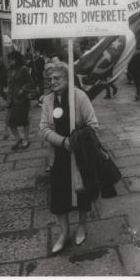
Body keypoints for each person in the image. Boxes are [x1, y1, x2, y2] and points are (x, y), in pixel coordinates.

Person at [40, 62, 99, 254]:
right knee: (59, 196)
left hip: (80, 155)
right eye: (50, 79)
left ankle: (82, 226)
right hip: (58, 155)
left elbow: (93, 124)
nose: (52, 81)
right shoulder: (47, 100)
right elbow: (43, 129)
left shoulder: (79, 96)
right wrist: (63, 142)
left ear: (67, 78)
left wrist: (77, 140)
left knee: (82, 192)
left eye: (57, 77)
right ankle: (64, 233)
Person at [6, 51, 33, 150]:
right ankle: (18, 139)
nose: (10, 61)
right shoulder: (9, 70)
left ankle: (26, 139)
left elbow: (30, 82)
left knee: (24, 120)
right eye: (9, 59)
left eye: (12, 59)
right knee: (10, 121)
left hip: (22, 99)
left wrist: (23, 89)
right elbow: (9, 84)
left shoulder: (23, 69)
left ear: (17, 59)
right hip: (11, 100)